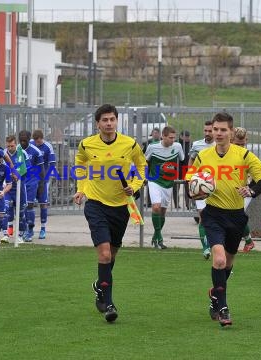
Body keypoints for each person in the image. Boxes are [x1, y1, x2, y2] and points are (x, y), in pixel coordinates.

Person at [186, 112, 261, 327]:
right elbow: (191, 185)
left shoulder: (244, 155)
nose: (219, 133)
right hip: (213, 214)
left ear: (231, 132)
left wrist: (250, 190)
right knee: (219, 260)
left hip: (236, 216)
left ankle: (215, 296)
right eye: (216, 129)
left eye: (223, 130)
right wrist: (197, 192)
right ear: (212, 131)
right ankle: (223, 308)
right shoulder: (203, 156)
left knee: (228, 263)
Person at [73, 103, 146, 323]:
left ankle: (100, 285)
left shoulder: (130, 144)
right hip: (96, 204)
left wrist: (134, 186)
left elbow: (141, 167)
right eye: (104, 120)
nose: (108, 123)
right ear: (98, 124)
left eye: (112, 119)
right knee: (104, 254)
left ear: (117, 121)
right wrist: (81, 189)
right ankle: (108, 303)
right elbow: (80, 165)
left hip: (121, 206)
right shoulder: (86, 145)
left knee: (112, 255)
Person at [145, 126, 185, 249]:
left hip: (168, 183)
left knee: (162, 212)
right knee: (156, 207)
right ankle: (159, 237)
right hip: (154, 180)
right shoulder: (152, 147)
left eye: (174, 137)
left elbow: (182, 160)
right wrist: (144, 176)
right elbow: (144, 162)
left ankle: (156, 236)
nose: (172, 140)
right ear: (163, 136)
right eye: (170, 137)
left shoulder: (178, 146)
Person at [188, 120, 215, 259]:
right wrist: (190, 178)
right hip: (200, 186)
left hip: (216, 187)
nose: (207, 133)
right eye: (205, 130)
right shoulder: (197, 145)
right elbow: (191, 160)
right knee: (202, 216)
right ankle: (205, 248)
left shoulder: (219, 145)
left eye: (210, 131)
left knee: (215, 218)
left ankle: (213, 243)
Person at [232, 127, 256, 253]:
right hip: (230, 191)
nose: (240, 147)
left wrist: (250, 188)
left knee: (236, 216)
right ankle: (248, 241)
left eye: (243, 144)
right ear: (231, 140)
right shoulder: (226, 155)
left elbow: (259, 177)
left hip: (244, 193)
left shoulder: (248, 156)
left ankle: (247, 242)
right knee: (237, 218)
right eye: (237, 144)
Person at [18, 130, 44, 242]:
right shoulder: (16, 149)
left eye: (25, 140)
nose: (23, 142)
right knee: (20, 207)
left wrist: (41, 185)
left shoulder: (36, 151)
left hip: (32, 181)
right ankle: (22, 229)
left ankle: (30, 229)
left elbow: (41, 170)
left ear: (29, 140)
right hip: (19, 181)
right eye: (21, 140)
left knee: (29, 205)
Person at [32, 129, 57, 239]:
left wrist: (45, 178)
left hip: (43, 179)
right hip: (31, 179)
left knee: (43, 203)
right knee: (29, 203)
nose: (37, 144)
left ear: (42, 138)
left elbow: (52, 164)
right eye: (36, 142)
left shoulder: (48, 146)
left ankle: (43, 229)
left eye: (39, 142)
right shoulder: (30, 144)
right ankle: (29, 228)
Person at [173, 130, 191, 209]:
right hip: (176, 169)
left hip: (187, 169)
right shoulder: (176, 144)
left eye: (188, 137)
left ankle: (188, 204)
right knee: (176, 188)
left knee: (188, 188)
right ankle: (177, 204)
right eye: (186, 136)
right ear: (181, 136)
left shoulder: (191, 144)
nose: (187, 138)